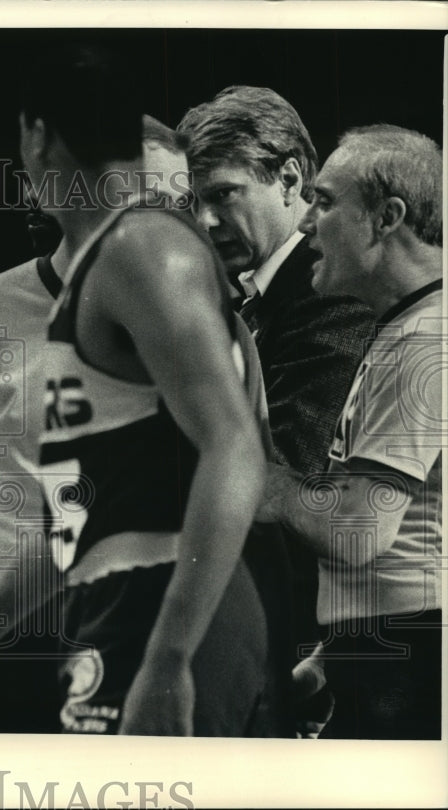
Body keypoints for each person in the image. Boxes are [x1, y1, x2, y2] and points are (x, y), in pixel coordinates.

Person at [0, 45, 289, 736]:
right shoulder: (97, 276)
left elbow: (237, 452)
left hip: (173, 619)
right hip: (114, 613)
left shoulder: (145, 250)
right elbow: (76, 527)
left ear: (35, 137)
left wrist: (170, 658)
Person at [177, 87, 376, 722]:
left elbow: (287, 467)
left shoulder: (328, 300)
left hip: (299, 653)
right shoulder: (250, 303)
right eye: (193, 202)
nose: (204, 222)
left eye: (223, 194)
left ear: (291, 179)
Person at [257, 125, 442, 739]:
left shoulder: (425, 342)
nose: (306, 223)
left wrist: (252, 475)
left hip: (407, 660)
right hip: (389, 650)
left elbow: (359, 528)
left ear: (388, 217)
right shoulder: (409, 330)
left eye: (326, 201)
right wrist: (334, 656)